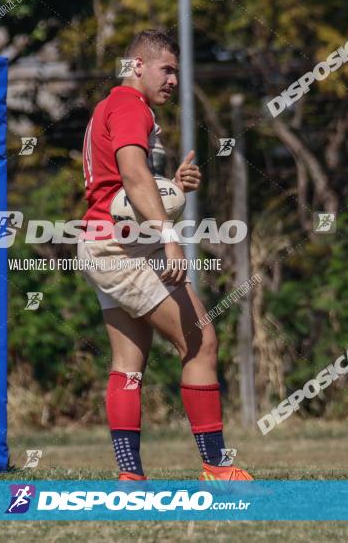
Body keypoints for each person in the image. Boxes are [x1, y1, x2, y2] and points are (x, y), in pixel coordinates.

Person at [77, 29, 253, 481]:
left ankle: (131, 477)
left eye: (177, 71)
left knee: (128, 364)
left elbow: (125, 185)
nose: (174, 80)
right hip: (126, 246)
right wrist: (171, 238)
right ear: (138, 66)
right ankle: (216, 465)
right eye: (167, 69)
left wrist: (172, 185)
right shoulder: (132, 107)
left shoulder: (109, 106)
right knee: (200, 341)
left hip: (101, 241)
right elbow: (134, 177)